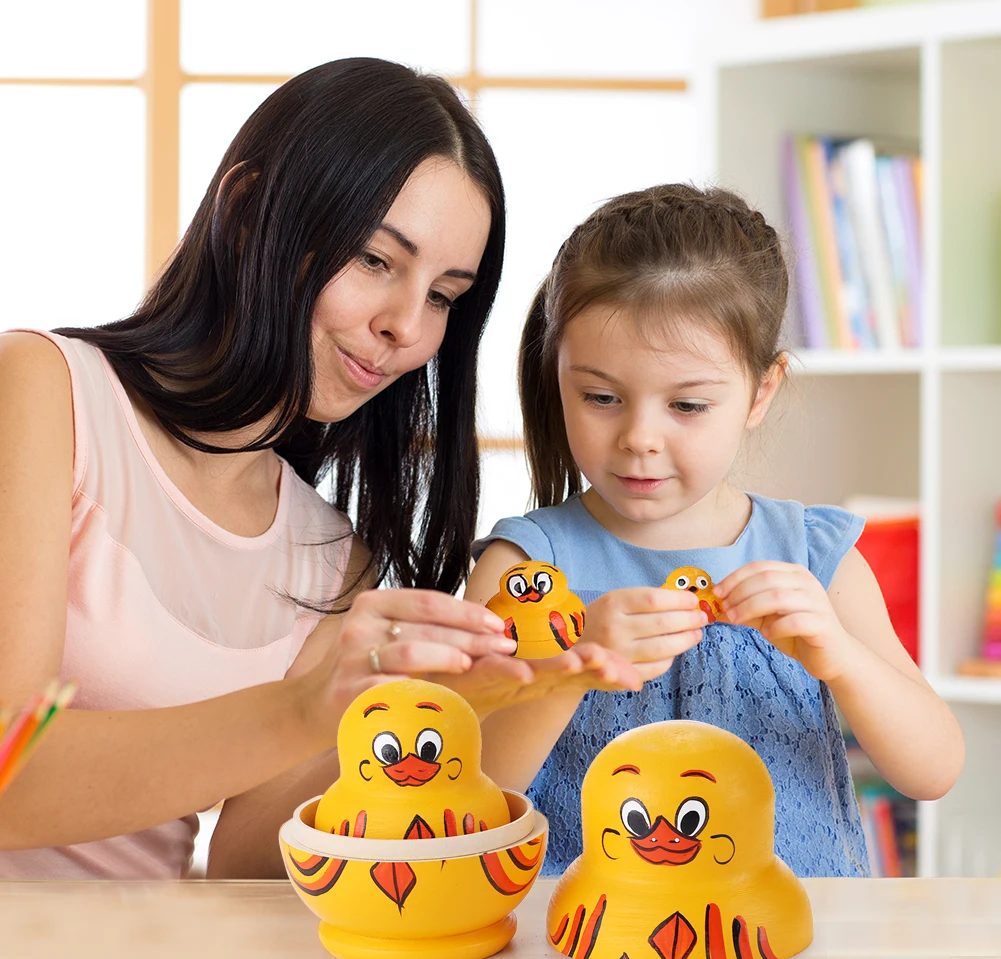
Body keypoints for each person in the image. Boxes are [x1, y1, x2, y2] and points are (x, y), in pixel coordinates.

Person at [0, 58, 633, 880]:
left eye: (443, 294)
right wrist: (302, 707)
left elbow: (245, 869)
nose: (404, 325)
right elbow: (10, 769)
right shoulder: (46, 390)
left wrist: (435, 713)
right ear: (242, 212)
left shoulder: (334, 561)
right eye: (375, 260)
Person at [466, 183, 964, 877]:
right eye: (600, 397)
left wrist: (840, 656)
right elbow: (468, 794)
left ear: (760, 392)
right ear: (559, 376)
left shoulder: (815, 558)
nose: (639, 437)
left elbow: (933, 767)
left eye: (687, 404)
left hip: (789, 951)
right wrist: (570, 667)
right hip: (583, 948)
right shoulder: (525, 569)